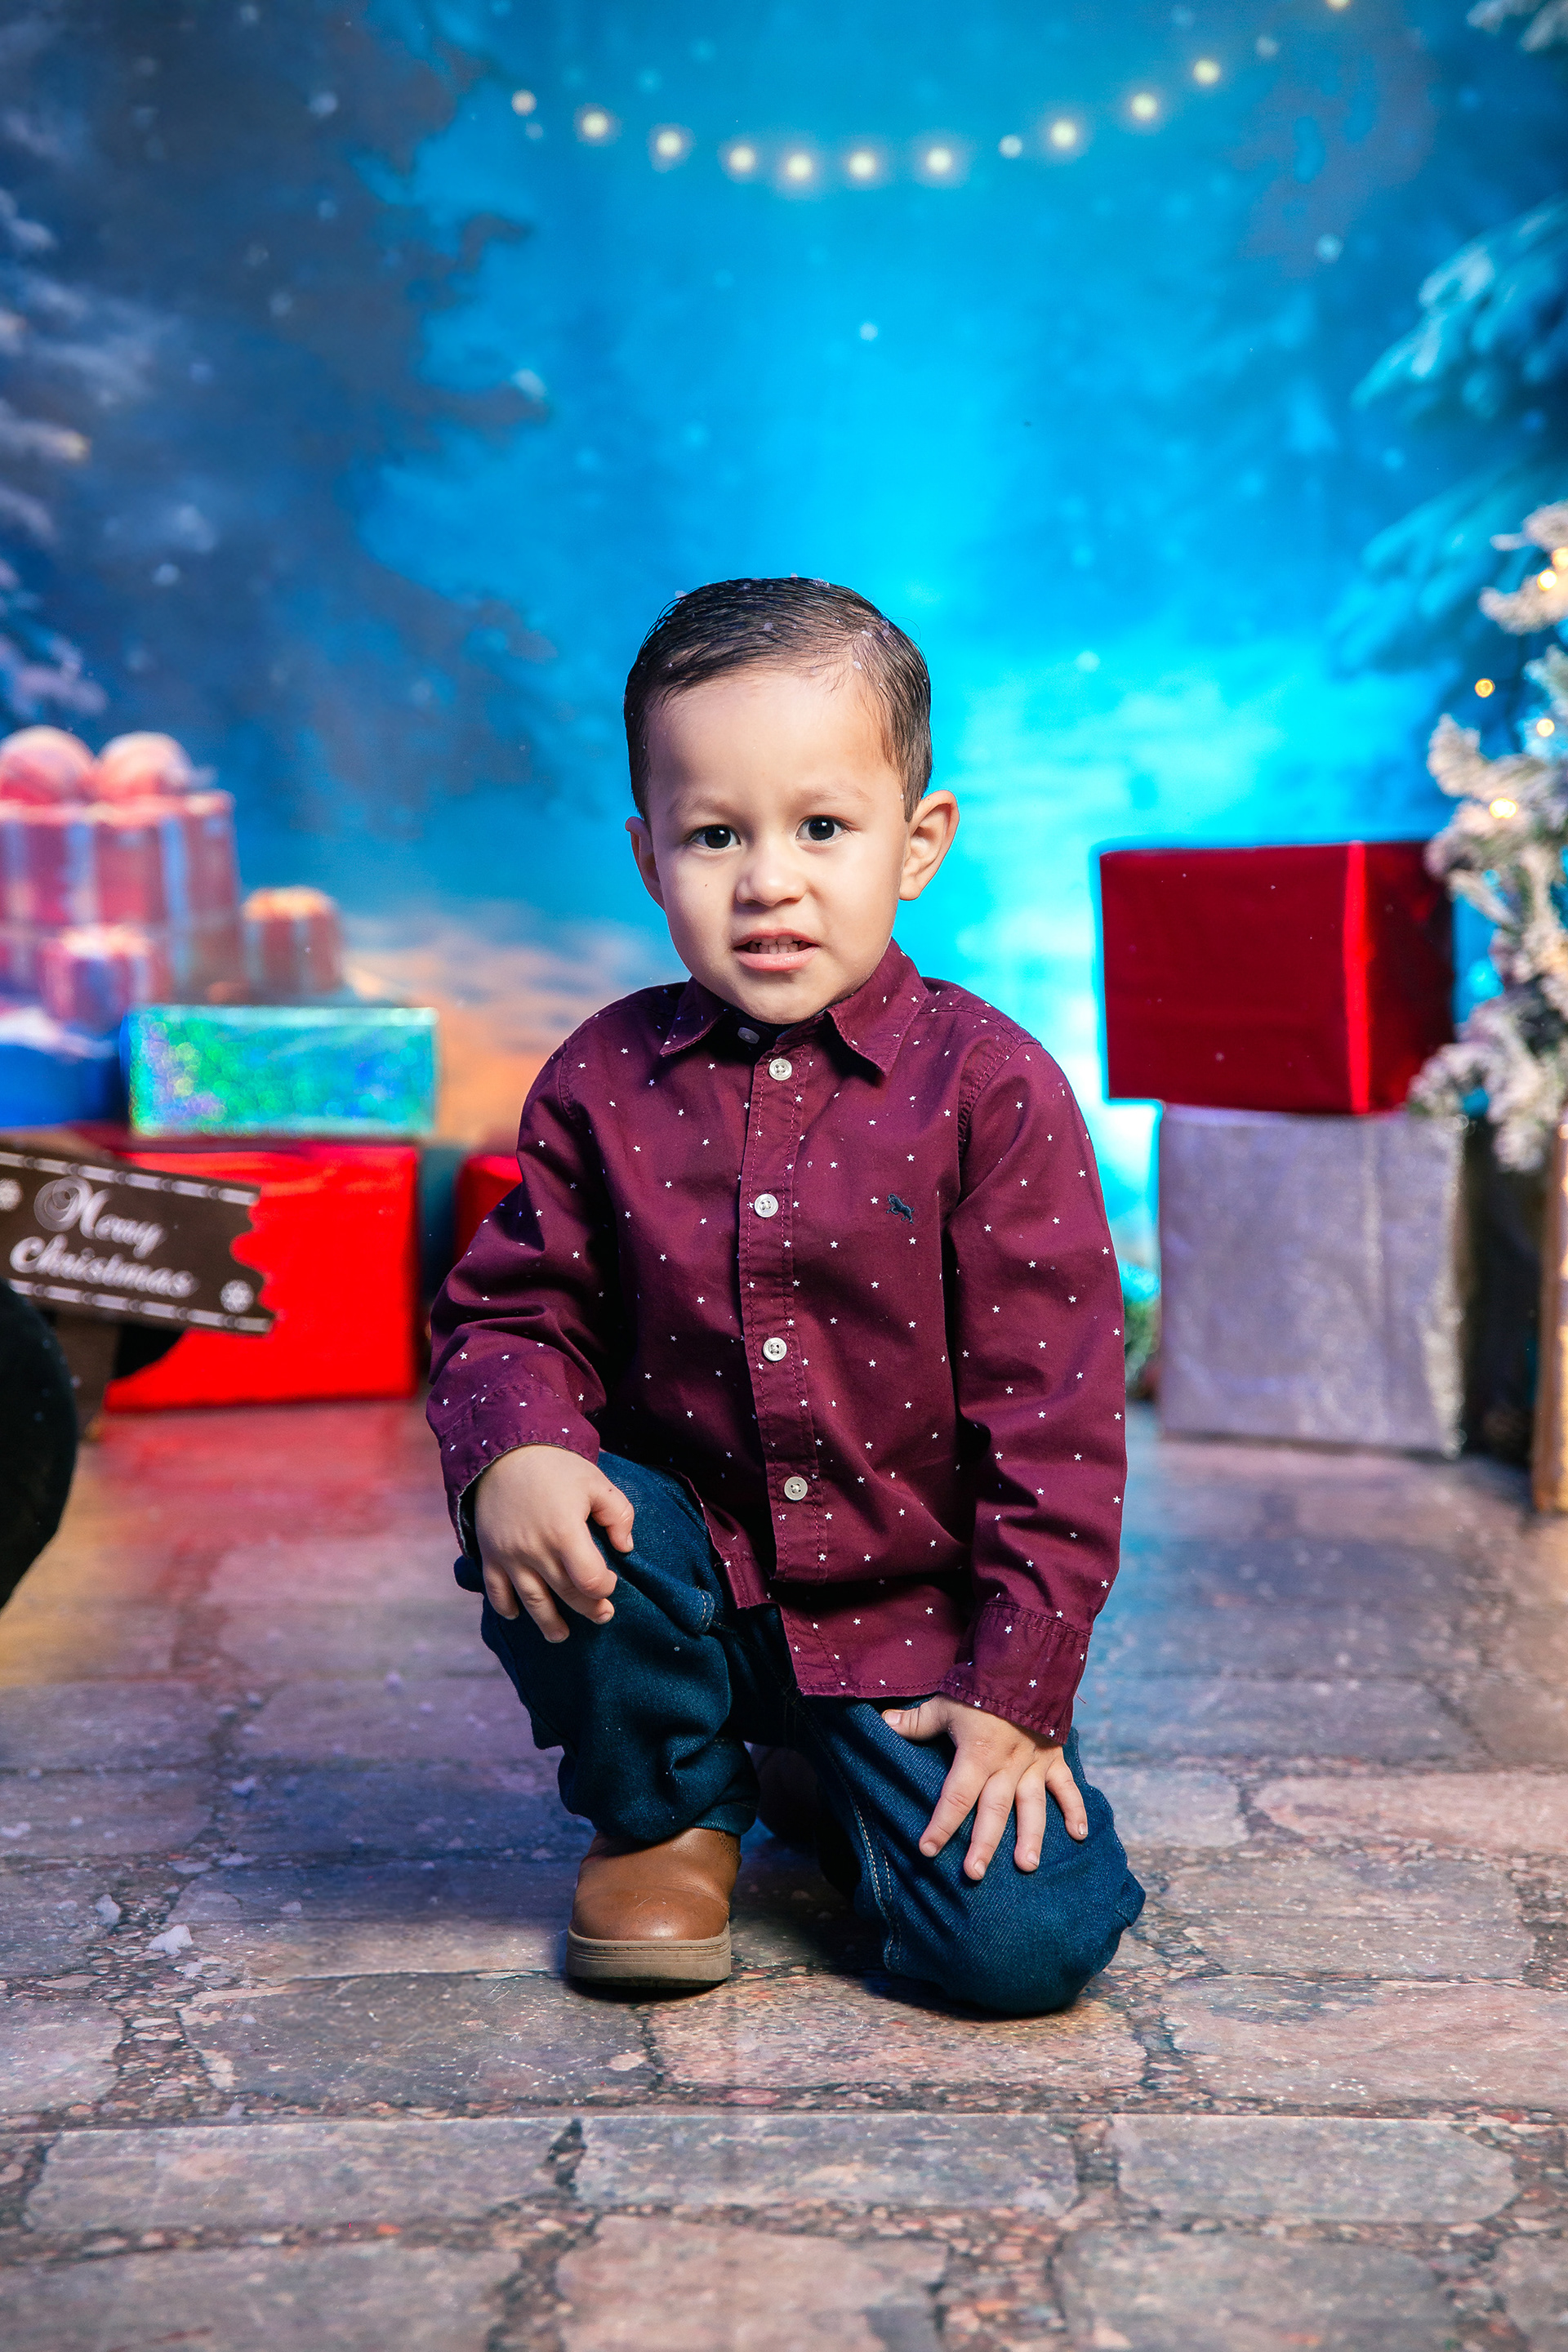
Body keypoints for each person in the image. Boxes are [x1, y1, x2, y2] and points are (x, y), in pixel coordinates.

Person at [428, 577, 1144, 2013]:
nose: (769, 881)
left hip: (910, 1624)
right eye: (716, 835)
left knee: (1022, 1948)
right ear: (649, 856)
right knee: (558, 1504)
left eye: (822, 828)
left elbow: (1055, 1422)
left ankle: (835, 1776)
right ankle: (668, 1806)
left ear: (917, 843)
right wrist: (514, 1451)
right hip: (682, 1579)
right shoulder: (598, 1079)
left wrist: (1017, 1691)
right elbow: (514, 1312)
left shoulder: (994, 1090)